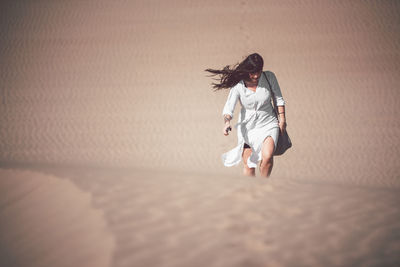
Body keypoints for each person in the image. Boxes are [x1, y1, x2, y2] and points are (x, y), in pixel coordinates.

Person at [205, 53, 286, 177]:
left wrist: (282, 120)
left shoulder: (269, 77)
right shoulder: (238, 85)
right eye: (253, 72)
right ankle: (250, 191)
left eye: (258, 72)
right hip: (248, 127)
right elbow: (229, 107)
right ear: (247, 70)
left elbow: (278, 99)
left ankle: (263, 188)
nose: (256, 75)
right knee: (249, 165)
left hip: (268, 123)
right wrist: (227, 122)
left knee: (268, 156)